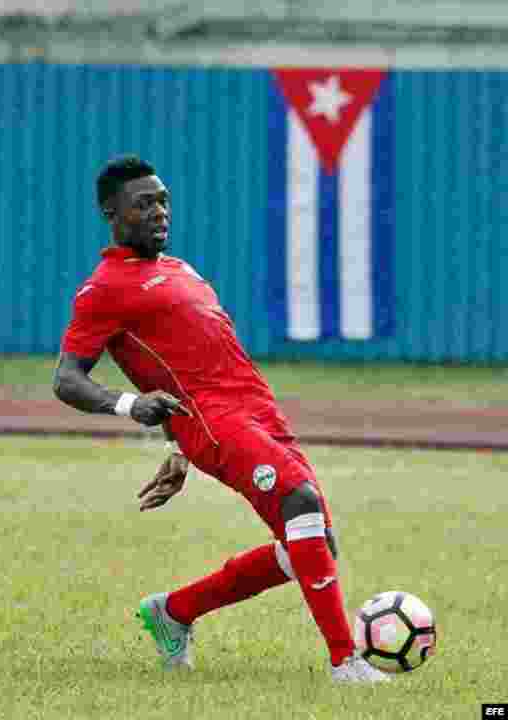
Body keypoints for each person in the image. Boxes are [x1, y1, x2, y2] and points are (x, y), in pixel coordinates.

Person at [52, 155, 388, 684]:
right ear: (111, 214)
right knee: (299, 503)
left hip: (257, 409)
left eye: (163, 200)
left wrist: (177, 453)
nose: (160, 212)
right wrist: (128, 405)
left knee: (317, 543)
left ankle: (175, 611)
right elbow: (67, 379)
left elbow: (188, 356)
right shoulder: (104, 288)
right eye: (143, 204)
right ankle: (346, 663)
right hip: (213, 418)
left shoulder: (179, 269)